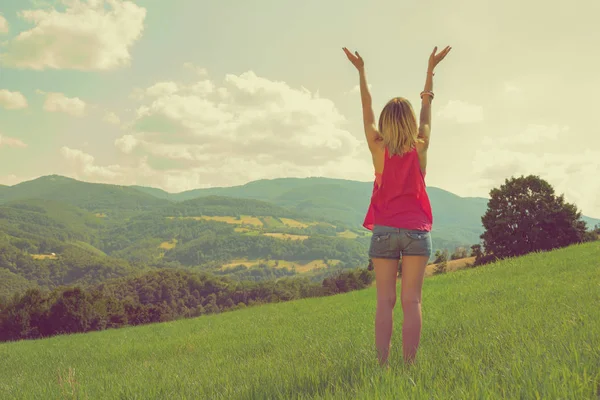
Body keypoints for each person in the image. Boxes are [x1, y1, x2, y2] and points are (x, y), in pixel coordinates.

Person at [342, 45, 451, 367]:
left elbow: (366, 108)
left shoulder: (378, 148)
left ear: (386, 122)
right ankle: (409, 366)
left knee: (384, 302)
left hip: (385, 230)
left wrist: (360, 72)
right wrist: (430, 71)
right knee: (412, 300)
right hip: (417, 232)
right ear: (411, 122)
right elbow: (427, 111)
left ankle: (382, 365)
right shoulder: (421, 146)